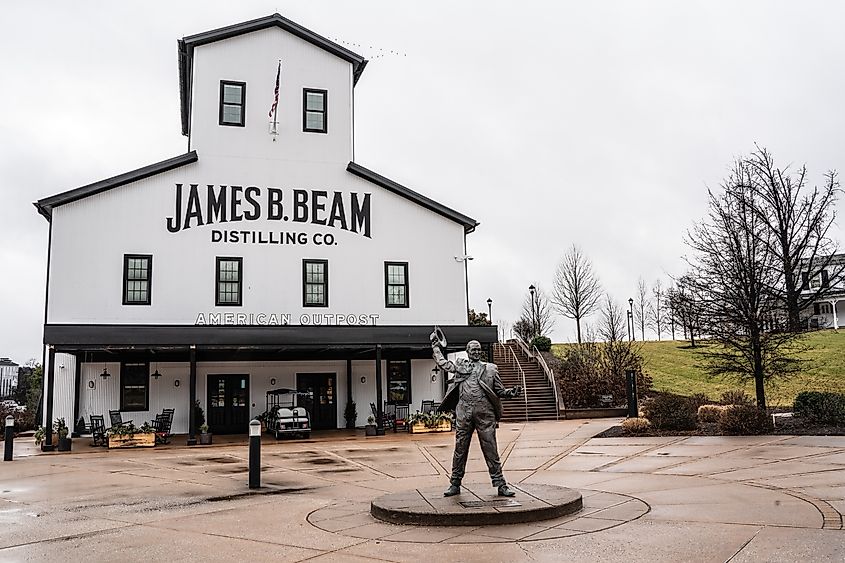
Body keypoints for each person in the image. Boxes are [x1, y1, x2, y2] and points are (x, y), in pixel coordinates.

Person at [431, 331, 521, 497]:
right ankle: (455, 483)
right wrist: (436, 347)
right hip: (464, 413)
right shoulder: (460, 366)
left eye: (478, 349)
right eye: (473, 350)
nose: (476, 352)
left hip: (485, 414)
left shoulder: (490, 369)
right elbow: (443, 363)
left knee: (491, 449)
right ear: (467, 351)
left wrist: (511, 392)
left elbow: (499, 390)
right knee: (460, 449)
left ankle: (500, 484)